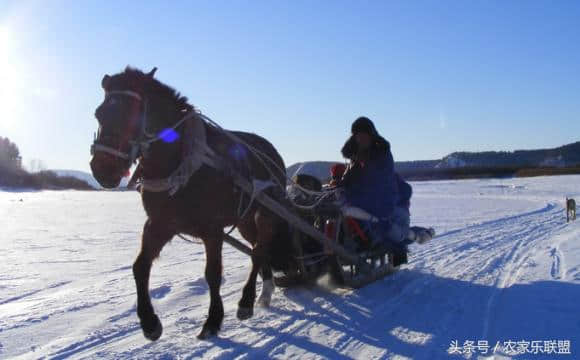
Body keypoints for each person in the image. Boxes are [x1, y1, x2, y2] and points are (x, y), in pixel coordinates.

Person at [338, 117, 411, 264]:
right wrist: (341, 184)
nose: (361, 139)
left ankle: (396, 248)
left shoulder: (382, 154)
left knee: (381, 223)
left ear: (371, 136)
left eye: (364, 135)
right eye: (358, 136)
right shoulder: (356, 155)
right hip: (362, 196)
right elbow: (350, 177)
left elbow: (379, 181)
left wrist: (356, 187)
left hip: (383, 197)